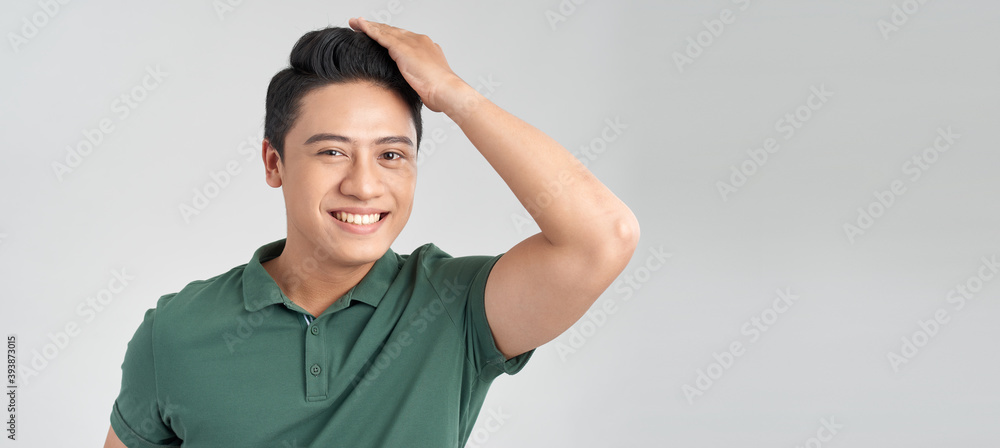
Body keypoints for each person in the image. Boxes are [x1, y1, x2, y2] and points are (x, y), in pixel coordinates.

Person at [104, 16, 639, 448]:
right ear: (273, 162)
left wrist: (453, 94)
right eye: (332, 151)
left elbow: (605, 236)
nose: (364, 185)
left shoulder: (454, 307)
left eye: (391, 155)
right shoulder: (174, 332)